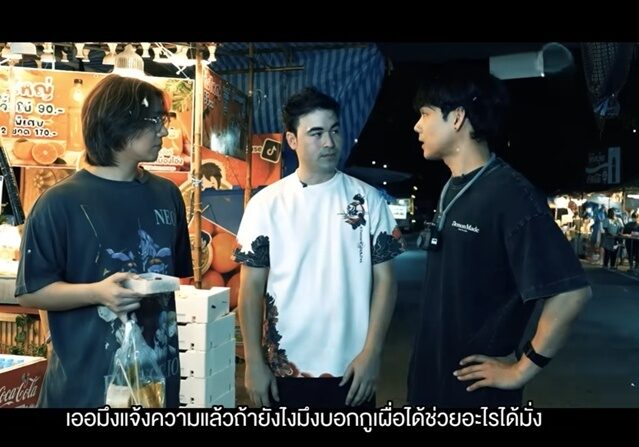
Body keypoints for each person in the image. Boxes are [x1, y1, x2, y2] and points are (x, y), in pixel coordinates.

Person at [408, 64, 591, 408]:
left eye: (425, 114)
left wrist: (521, 369)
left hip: (477, 397)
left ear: (457, 117)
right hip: (431, 382)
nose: (417, 125)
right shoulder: (451, 188)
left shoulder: (512, 195)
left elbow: (572, 292)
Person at [15, 74, 193, 408]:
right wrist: (97, 292)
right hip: (82, 390)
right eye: (155, 120)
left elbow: (174, 279)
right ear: (119, 124)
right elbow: (30, 291)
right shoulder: (59, 202)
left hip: (155, 385)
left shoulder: (168, 195)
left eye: (164, 120)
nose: (164, 131)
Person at [233, 87, 405, 408]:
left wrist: (372, 353)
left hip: (352, 369)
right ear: (292, 140)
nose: (329, 142)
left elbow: (386, 282)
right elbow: (251, 288)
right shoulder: (266, 204)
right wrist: (254, 362)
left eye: (334, 130)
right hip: (283, 369)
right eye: (316, 133)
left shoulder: (368, 201)